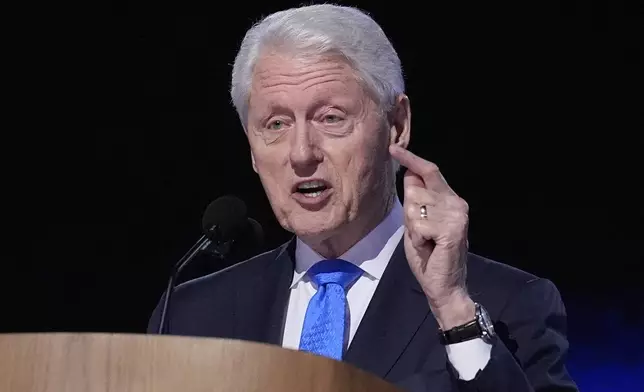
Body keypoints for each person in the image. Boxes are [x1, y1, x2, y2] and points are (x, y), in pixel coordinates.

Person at [148, 4, 578, 391]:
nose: (301, 154)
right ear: (251, 148)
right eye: (276, 124)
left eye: (331, 118)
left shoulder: (506, 303)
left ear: (397, 125)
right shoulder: (191, 316)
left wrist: (453, 310)